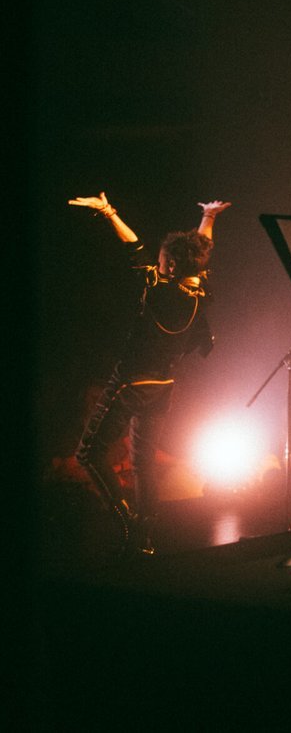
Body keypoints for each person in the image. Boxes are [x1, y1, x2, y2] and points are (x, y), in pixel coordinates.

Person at [68, 192, 230, 556]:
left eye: (162, 261)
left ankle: (124, 518)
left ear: (170, 266)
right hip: (163, 387)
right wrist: (209, 219)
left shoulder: (158, 290)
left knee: (88, 454)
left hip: (130, 383)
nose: (156, 263)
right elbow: (201, 250)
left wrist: (109, 213)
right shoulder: (199, 290)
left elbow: (133, 248)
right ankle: (145, 537)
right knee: (143, 464)